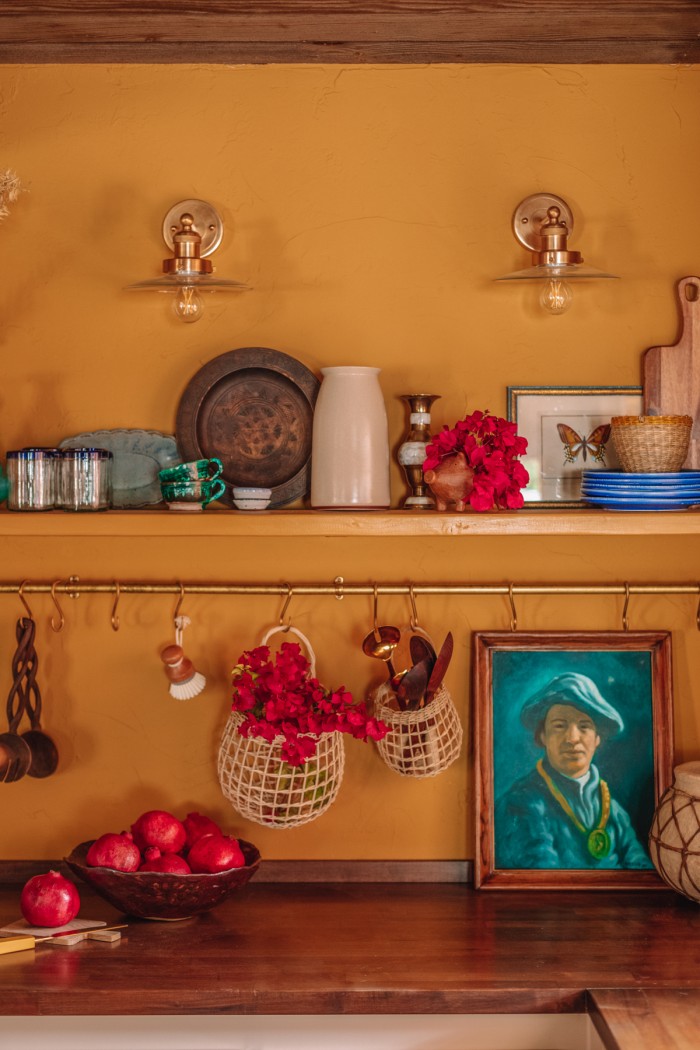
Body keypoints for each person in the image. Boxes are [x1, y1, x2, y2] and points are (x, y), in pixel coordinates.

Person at [494, 672, 652, 870]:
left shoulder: (612, 808)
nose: (572, 738)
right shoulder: (519, 803)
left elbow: (640, 868)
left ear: (597, 739)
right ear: (543, 736)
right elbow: (541, 879)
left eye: (584, 726)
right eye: (559, 726)